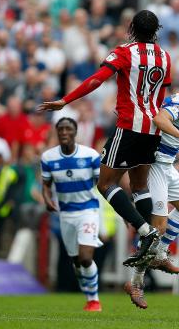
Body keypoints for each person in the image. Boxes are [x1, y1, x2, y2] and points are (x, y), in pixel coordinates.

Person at [39, 10, 172, 266]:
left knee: (104, 184)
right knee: (139, 186)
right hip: (153, 129)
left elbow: (96, 80)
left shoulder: (124, 51)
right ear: (156, 30)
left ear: (132, 27)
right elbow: (161, 96)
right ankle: (149, 242)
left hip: (128, 126)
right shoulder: (165, 57)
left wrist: (66, 100)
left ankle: (145, 232)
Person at [124, 70, 179, 309]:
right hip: (155, 167)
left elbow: (177, 113)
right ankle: (136, 283)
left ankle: (160, 253)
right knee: (158, 227)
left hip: (167, 165)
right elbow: (160, 120)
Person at [41, 117, 103, 312]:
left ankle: (94, 300)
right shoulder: (48, 158)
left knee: (85, 258)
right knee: (77, 261)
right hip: (66, 214)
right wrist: (47, 198)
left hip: (88, 211)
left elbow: (103, 183)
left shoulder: (91, 156)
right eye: (61, 129)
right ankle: (88, 296)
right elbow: (46, 184)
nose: (64, 132)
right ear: (57, 133)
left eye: (68, 129)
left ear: (76, 133)